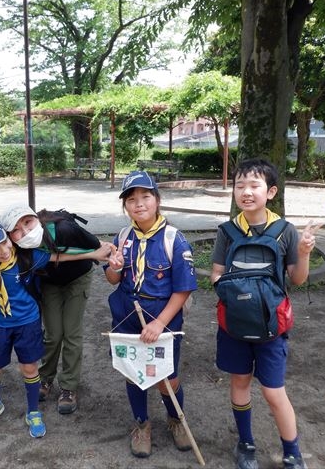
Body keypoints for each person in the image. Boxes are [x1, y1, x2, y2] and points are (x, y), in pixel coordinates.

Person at [210, 158, 320, 469]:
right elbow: (216, 275)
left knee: (273, 391)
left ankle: (292, 450)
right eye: (240, 185)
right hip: (234, 324)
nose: (246, 192)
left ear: (270, 191)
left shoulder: (284, 231)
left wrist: (303, 253)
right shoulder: (228, 232)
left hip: (272, 327)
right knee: (240, 381)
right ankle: (245, 444)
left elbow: (297, 280)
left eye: (254, 185)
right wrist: (239, 291)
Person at [0, 217, 114, 438]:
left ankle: (33, 411)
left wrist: (93, 254)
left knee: (30, 368)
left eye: (5, 243)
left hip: (27, 322)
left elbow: (58, 257)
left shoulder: (26, 257)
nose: (4, 251)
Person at [104, 170, 198, 459]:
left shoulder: (174, 239)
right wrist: (116, 266)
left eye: (146, 197)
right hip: (127, 314)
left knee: (165, 377)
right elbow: (112, 279)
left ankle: (176, 419)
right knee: (134, 373)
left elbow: (183, 290)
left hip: (163, 318)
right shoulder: (123, 236)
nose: (139, 204)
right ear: (125, 206)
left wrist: (159, 323)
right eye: (131, 199)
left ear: (157, 200)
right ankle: (142, 424)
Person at [0, 204, 101, 415]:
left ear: (35, 218)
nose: (25, 232)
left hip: (78, 277)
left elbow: (96, 246)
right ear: (10, 236)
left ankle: (69, 387)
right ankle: (45, 378)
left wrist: (112, 262)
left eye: (27, 222)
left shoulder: (64, 229)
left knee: (71, 333)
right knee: (53, 334)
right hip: (49, 283)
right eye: (16, 229)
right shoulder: (16, 249)